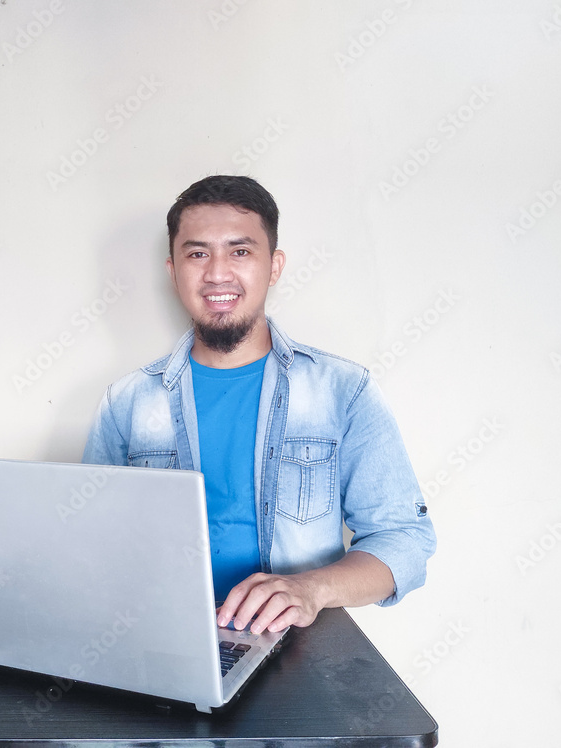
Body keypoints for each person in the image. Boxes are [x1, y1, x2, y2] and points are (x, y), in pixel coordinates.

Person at [82, 175, 435, 636]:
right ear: (173, 271)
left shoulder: (343, 390)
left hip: (299, 654)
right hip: (160, 643)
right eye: (197, 253)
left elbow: (404, 539)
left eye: (240, 251)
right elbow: (92, 546)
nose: (217, 273)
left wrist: (311, 590)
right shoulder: (126, 402)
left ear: (274, 266)